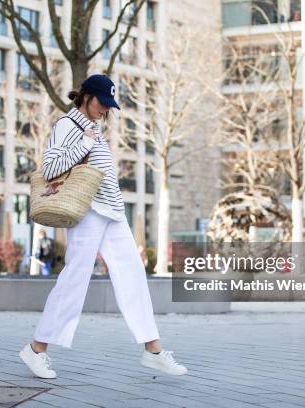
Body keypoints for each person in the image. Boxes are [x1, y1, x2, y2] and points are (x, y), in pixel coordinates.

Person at [18, 74, 187, 379]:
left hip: (112, 211)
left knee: (134, 274)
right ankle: (36, 349)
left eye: (109, 105)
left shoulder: (92, 126)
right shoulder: (68, 126)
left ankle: (153, 350)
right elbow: (50, 167)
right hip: (89, 211)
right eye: (102, 103)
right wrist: (83, 143)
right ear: (86, 96)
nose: (105, 110)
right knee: (74, 280)